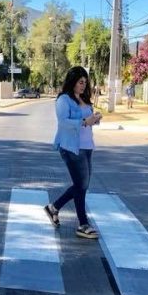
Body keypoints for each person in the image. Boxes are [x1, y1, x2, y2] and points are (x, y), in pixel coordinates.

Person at [44, 66, 102, 239]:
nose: (83, 86)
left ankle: (53, 208)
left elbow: (87, 121)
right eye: (80, 82)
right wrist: (85, 121)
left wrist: (95, 119)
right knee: (81, 185)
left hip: (87, 146)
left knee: (81, 186)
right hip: (71, 147)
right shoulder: (64, 100)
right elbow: (63, 122)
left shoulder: (84, 99)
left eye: (85, 82)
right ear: (72, 82)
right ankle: (83, 224)